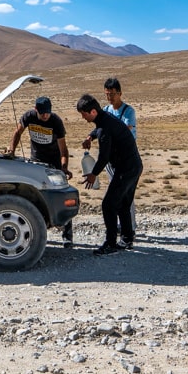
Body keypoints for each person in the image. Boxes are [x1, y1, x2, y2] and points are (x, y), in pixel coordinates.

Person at [75, 93, 141, 256]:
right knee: (124, 203)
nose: (83, 118)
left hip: (126, 169)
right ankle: (126, 239)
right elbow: (99, 130)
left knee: (108, 205)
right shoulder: (105, 119)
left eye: (84, 114)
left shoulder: (104, 127)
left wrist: (93, 174)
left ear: (92, 112)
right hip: (134, 166)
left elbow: (104, 156)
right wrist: (91, 136)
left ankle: (111, 243)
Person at [6, 96, 74, 244]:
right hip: (36, 161)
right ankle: (36, 232)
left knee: (60, 197)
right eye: (42, 112)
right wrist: (11, 150)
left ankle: (67, 234)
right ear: (36, 110)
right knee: (35, 196)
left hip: (54, 163)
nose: (45, 116)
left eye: (47, 112)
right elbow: (17, 132)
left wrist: (64, 168)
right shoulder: (29, 117)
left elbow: (63, 149)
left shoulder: (56, 122)